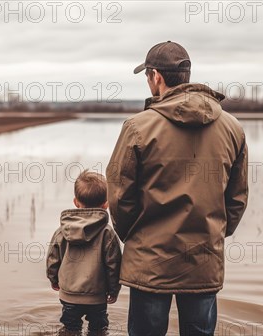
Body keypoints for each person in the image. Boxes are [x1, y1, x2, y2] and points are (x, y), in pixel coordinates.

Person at [106, 41, 249, 336]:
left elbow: (120, 196)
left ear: (156, 76)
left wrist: (134, 237)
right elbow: (237, 198)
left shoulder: (137, 127)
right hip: (204, 259)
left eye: (147, 76)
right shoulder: (232, 127)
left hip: (150, 261)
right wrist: (213, 233)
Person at [46, 170, 122, 335]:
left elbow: (53, 258)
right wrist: (114, 289)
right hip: (97, 296)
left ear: (76, 202)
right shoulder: (107, 233)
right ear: (106, 204)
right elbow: (113, 264)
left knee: (70, 329)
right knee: (99, 329)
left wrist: (53, 279)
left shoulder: (62, 230)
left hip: (69, 295)